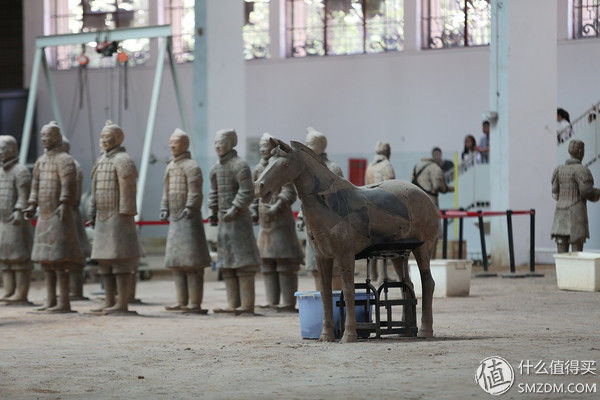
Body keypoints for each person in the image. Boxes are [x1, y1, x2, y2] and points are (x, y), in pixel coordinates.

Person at [88, 121, 141, 315]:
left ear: (118, 139)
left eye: (107, 136)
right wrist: (92, 211)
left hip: (118, 218)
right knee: (105, 261)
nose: (103, 140)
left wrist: (125, 213)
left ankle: (122, 303)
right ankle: (109, 300)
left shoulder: (123, 160)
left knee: (121, 262)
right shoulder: (101, 161)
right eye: (101, 136)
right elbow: (94, 190)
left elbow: (128, 190)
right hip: (103, 217)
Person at [209, 129, 261, 315]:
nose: (217, 145)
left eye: (221, 141)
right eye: (215, 142)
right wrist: (213, 209)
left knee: (243, 264)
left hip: (239, 221)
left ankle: (247, 305)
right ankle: (233, 305)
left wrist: (236, 208)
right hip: (224, 221)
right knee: (227, 263)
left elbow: (247, 191)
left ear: (231, 143)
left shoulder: (240, 165)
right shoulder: (216, 167)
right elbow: (214, 192)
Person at [160, 129, 212, 313]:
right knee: (177, 264)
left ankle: (194, 304)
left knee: (192, 264)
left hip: (190, 220)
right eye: (171, 142)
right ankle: (182, 302)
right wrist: (164, 207)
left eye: (176, 142)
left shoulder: (192, 166)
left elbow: (196, 191)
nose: (172, 145)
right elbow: (166, 190)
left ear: (185, 144)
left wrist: (190, 207)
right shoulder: (170, 167)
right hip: (175, 219)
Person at [251, 133, 303, 312]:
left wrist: (276, 207)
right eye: (260, 146)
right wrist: (253, 210)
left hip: (281, 222)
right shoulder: (258, 168)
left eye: (264, 145)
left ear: (273, 147)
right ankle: (272, 302)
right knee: (267, 263)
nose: (261, 149)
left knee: (285, 263)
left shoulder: (280, 166)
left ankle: (288, 302)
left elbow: (289, 193)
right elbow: (255, 193)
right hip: (265, 224)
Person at [551, 140, 600, 253]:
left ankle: (562, 271)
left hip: (560, 214)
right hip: (576, 215)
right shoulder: (582, 170)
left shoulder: (558, 170)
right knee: (576, 252)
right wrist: (598, 193)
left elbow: (554, 194)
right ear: (580, 151)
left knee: (561, 251)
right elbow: (587, 192)